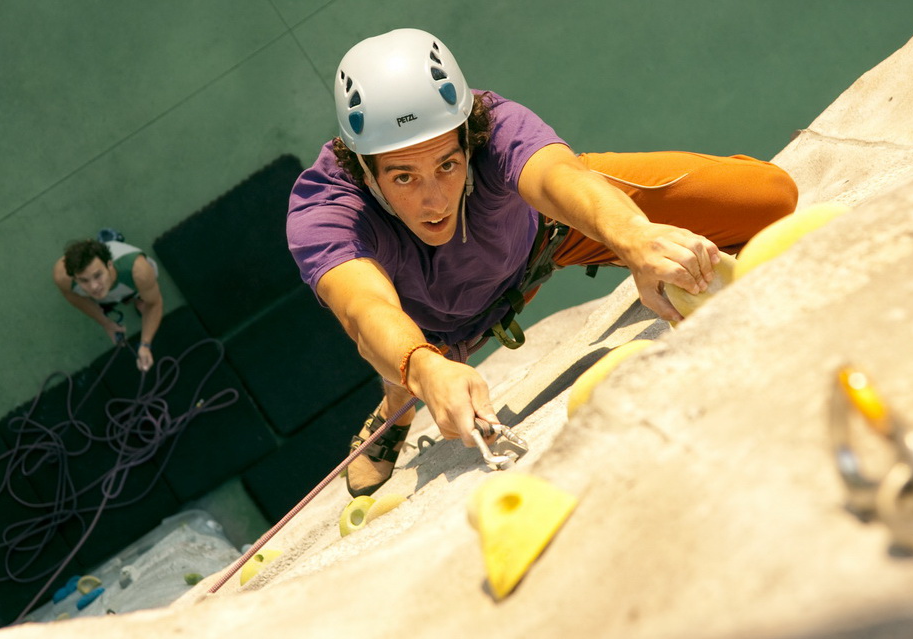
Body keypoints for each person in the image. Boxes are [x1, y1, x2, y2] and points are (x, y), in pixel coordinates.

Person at [286, 28, 798, 496]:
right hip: (432, 329)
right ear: (364, 170)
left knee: (767, 197)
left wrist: (635, 237)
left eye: (447, 164)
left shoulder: (492, 123)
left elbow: (557, 177)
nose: (435, 200)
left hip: (544, 240)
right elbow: (366, 308)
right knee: (406, 358)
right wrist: (422, 368)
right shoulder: (325, 209)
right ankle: (395, 409)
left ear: (466, 136)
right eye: (404, 177)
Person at [53, 237, 164, 372]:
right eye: (84, 280)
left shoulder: (139, 271)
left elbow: (154, 303)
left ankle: (137, 298)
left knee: (146, 301)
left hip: (133, 283)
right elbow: (73, 296)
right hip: (113, 290)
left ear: (109, 264)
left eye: (98, 275)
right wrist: (106, 323)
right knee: (100, 297)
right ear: (75, 278)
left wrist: (145, 344)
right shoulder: (62, 277)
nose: (94, 286)